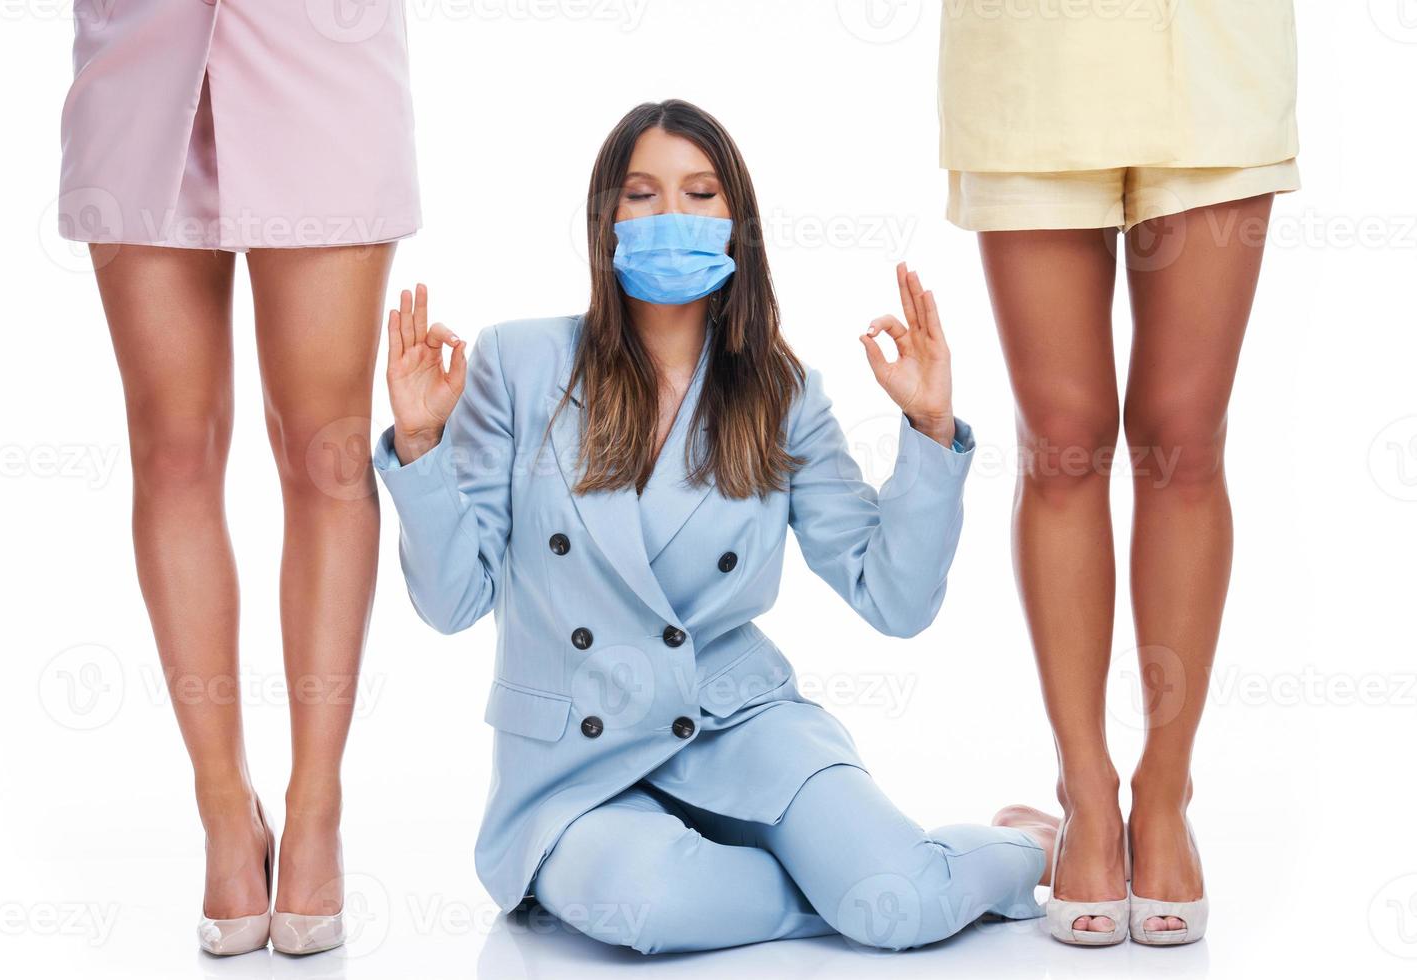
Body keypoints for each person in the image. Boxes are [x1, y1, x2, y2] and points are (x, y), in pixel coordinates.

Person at [376, 99, 1057, 954]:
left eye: (701, 194)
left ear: (737, 225)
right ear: (607, 220)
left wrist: (927, 431)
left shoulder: (782, 393)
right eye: (642, 194)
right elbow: (450, 601)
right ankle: (840, 881)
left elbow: (896, 600)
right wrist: (419, 443)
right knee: (653, 904)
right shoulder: (516, 364)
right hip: (574, 768)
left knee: (901, 903)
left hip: (743, 725)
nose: (672, 216)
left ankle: (1029, 843)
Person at [58, 0, 421, 955]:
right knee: (170, 448)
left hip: (321, 48)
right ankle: (225, 813)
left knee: (325, 450)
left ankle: (314, 810)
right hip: (141, 55)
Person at [937, 0, 1301, 946]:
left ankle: (1167, 791)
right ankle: (1086, 788)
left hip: (1213, 53)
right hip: (1027, 52)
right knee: (1062, 434)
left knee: (1183, 430)